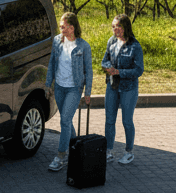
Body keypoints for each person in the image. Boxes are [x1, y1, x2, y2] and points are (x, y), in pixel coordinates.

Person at [44, 12, 93, 172]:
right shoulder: (57, 41)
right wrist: (48, 85)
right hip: (59, 87)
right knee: (67, 121)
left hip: (74, 88)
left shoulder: (83, 46)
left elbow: (89, 71)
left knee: (65, 120)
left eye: (63, 26)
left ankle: (60, 156)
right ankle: (75, 148)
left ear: (72, 28)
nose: (61, 29)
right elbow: (52, 63)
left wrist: (88, 92)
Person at [102, 14, 144, 165]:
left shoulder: (135, 46)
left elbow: (139, 70)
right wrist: (107, 67)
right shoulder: (111, 41)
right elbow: (105, 59)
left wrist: (119, 72)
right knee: (109, 120)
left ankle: (129, 152)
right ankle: (108, 151)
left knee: (127, 121)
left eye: (118, 26)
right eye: (113, 27)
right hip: (112, 87)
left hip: (128, 89)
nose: (115, 30)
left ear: (125, 27)